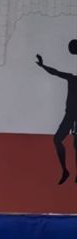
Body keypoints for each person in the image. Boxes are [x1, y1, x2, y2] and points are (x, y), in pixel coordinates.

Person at [35, 44, 77, 184]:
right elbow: (55, 72)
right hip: (69, 115)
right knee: (57, 139)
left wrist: (43, 66)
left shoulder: (71, 78)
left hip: (74, 116)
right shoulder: (72, 78)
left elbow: (56, 72)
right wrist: (43, 66)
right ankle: (65, 170)